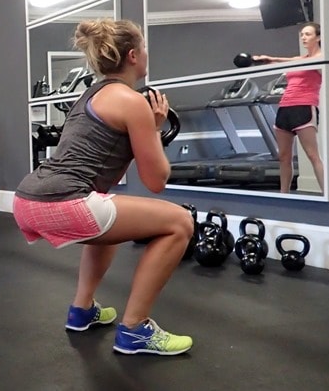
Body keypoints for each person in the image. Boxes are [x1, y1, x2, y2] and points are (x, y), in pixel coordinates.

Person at [12, 18, 194, 356]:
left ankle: (82, 310)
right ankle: (135, 329)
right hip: (63, 200)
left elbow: (107, 171)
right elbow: (156, 181)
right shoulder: (131, 101)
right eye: (143, 47)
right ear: (133, 56)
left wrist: (144, 133)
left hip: (27, 198)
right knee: (180, 222)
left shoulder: (88, 96)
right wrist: (154, 129)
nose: (146, 53)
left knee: (107, 212)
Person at [253, 22, 324, 193]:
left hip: (304, 108)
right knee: (284, 157)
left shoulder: (322, 57)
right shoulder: (299, 59)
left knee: (312, 155)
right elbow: (295, 61)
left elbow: (309, 62)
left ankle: (327, 193)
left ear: (318, 37)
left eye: (308, 34)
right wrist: (270, 60)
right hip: (285, 108)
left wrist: (276, 59)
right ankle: (283, 195)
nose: (303, 38)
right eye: (302, 35)